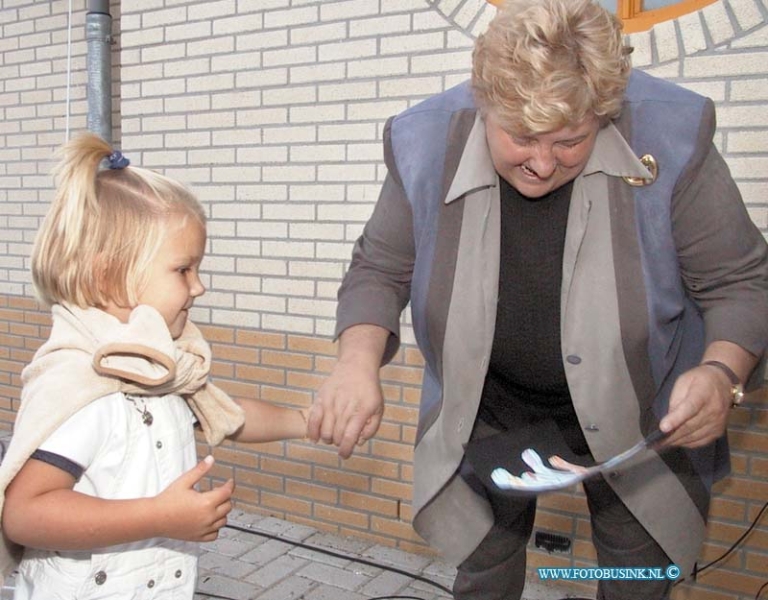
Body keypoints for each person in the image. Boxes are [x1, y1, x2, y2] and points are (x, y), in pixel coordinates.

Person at [308, 0, 768, 599]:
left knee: (635, 580)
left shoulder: (674, 131)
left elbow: (739, 279)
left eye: (571, 140)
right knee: (484, 571)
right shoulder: (422, 139)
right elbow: (380, 267)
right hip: (493, 408)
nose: (543, 164)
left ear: (604, 112)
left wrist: (719, 372)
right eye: (521, 136)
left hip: (642, 415)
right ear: (484, 102)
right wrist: (355, 362)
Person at [0, 133, 309, 599]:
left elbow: (228, 413)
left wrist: (307, 422)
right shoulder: (83, 385)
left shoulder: (158, 366)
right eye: (183, 269)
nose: (199, 286)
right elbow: (25, 513)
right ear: (111, 277)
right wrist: (160, 517)